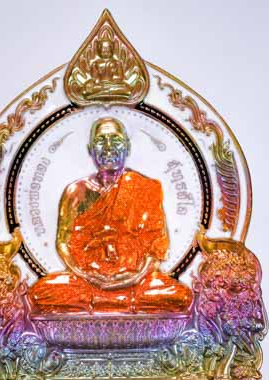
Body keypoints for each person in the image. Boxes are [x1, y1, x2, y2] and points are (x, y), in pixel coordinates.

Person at [29, 117, 192, 314]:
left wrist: (135, 277)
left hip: (136, 281)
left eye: (115, 140)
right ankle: (120, 302)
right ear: (90, 149)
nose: (108, 147)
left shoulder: (144, 188)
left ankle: (102, 302)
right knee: (40, 293)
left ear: (127, 147)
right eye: (101, 141)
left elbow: (156, 247)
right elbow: (63, 243)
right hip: (87, 281)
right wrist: (87, 275)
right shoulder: (76, 192)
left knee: (180, 295)